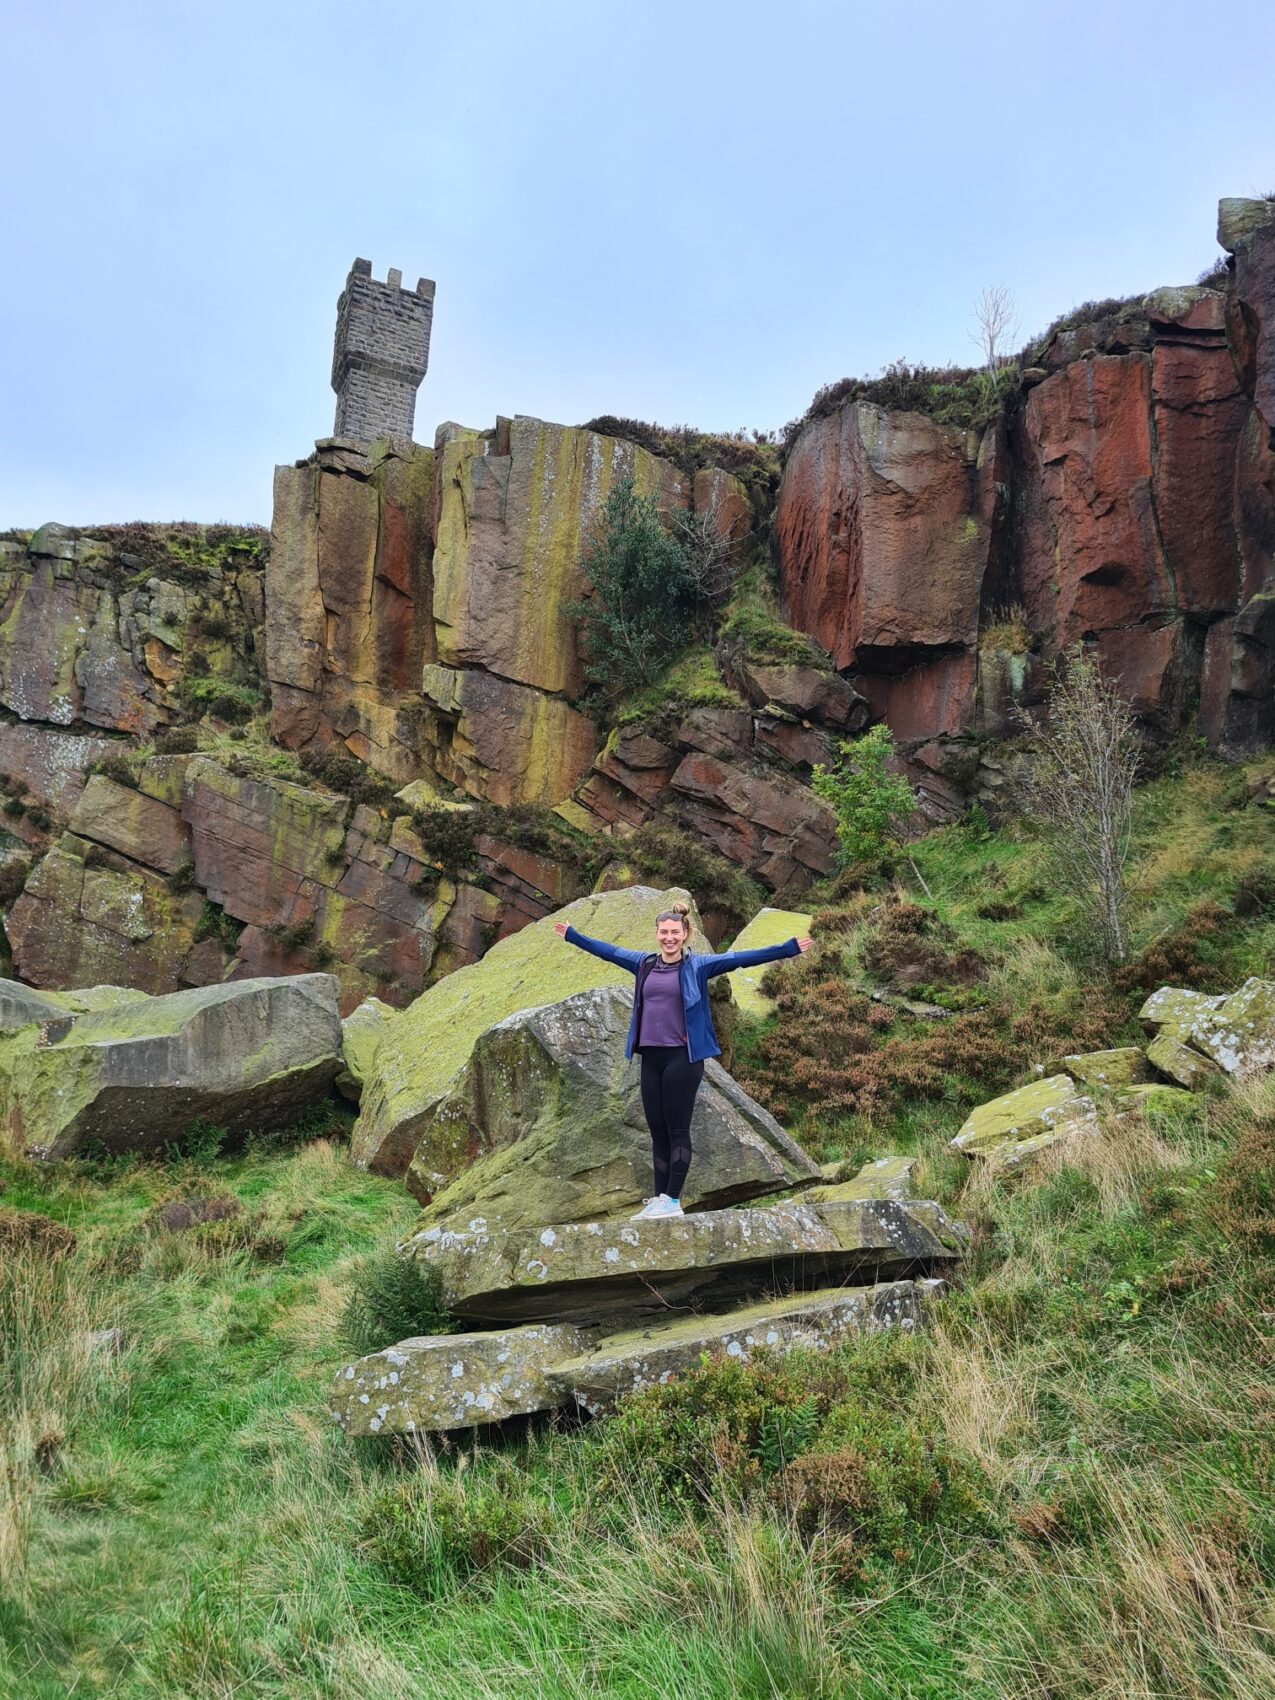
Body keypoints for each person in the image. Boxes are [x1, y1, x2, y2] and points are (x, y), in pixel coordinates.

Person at [554, 901, 813, 1220]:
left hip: (682, 1058)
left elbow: (741, 958)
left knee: (677, 1130)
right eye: (664, 932)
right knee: (657, 1131)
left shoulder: (698, 966)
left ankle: (673, 1201)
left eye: (675, 932)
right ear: (656, 934)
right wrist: (572, 935)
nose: (669, 938)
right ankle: (660, 1197)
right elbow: (609, 951)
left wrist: (788, 948)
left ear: (685, 933)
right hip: (650, 1057)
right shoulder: (644, 964)